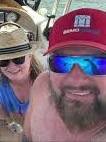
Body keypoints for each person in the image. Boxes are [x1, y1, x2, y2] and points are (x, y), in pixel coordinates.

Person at [23, 8, 106, 141]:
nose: (76, 80)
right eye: (61, 62)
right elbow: (27, 135)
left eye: (98, 63)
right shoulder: (42, 83)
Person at [0, 23, 43, 125]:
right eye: (3, 61)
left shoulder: (44, 84)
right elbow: (4, 111)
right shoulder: (2, 81)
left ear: (30, 57)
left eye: (18, 59)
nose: (11, 66)